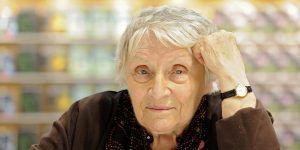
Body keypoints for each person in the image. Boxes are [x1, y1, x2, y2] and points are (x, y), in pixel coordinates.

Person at [31, 5, 279, 150]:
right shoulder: (90, 116)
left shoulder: (228, 118)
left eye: (178, 71)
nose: (158, 90)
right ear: (125, 74)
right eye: (143, 72)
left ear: (206, 82)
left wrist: (232, 73)